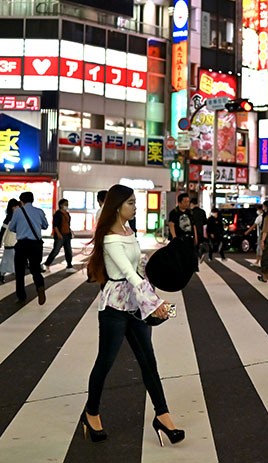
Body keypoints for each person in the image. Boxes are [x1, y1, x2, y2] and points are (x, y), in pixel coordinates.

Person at [83, 184, 183, 445]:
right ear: (117, 207)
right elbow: (128, 274)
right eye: (130, 203)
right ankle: (91, 412)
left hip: (135, 307)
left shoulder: (129, 232)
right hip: (115, 309)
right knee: (105, 363)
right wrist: (156, 302)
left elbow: (139, 269)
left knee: (149, 362)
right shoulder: (109, 238)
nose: (135, 207)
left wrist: (158, 282)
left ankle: (163, 415)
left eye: (134, 202)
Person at [8, 191, 49, 304]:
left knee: (20, 271)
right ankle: (40, 286)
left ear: (21, 201)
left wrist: (21, 229)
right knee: (35, 269)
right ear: (32, 200)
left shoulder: (17, 212)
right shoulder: (39, 211)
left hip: (22, 244)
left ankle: (21, 296)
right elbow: (45, 226)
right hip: (36, 244)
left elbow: (11, 227)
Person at [44, 198, 76, 273]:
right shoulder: (57, 214)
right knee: (56, 250)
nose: (67, 206)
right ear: (61, 205)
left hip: (67, 235)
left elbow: (67, 224)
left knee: (68, 251)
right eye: (65, 204)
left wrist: (70, 231)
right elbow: (55, 225)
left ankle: (69, 266)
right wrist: (58, 234)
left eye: (67, 204)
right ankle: (47, 264)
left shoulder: (67, 214)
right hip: (60, 235)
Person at [168, 193, 198, 269]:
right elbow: (171, 225)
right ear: (179, 202)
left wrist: (196, 237)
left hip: (189, 238)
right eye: (185, 202)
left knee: (190, 256)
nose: (187, 203)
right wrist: (174, 237)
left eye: (188, 201)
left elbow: (193, 225)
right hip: (179, 238)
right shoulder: (174, 212)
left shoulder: (190, 212)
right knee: (179, 257)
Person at [0, 198, 20, 283]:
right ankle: (2, 273)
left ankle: (3, 273)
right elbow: (3, 231)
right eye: (17, 206)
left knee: (9, 260)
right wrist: (0, 242)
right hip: (10, 242)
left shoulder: (15, 217)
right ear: (13, 207)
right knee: (8, 260)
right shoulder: (9, 218)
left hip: (15, 242)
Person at [189, 197, 208, 262]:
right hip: (200, 231)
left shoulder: (191, 212)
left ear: (192, 204)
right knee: (199, 244)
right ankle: (200, 254)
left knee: (193, 246)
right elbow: (205, 222)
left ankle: (196, 256)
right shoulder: (202, 212)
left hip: (192, 232)